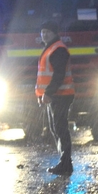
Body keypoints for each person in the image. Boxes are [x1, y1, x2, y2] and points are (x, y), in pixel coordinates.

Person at [36, 20, 75, 176]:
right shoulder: (50, 48)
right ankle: (64, 162)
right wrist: (42, 94)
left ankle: (66, 163)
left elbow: (58, 75)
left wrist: (48, 93)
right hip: (57, 95)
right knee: (55, 128)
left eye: (48, 32)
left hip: (61, 95)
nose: (44, 34)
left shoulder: (58, 49)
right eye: (42, 31)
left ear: (54, 34)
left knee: (60, 128)